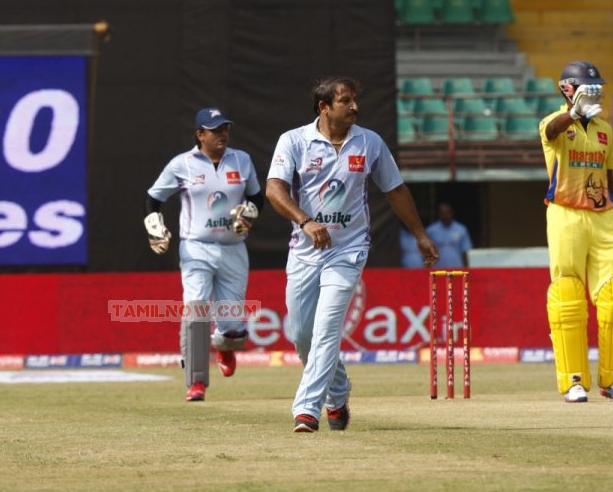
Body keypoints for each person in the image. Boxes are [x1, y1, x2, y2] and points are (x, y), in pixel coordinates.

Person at [266, 76, 439, 433]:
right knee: (301, 334)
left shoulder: (369, 142)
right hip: (304, 250)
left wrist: (420, 234)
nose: (355, 107)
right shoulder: (295, 140)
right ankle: (339, 392)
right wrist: (305, 221)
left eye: (355, 100)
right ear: (324, 107)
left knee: (328, 329)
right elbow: (274, 189)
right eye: (346, 101)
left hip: (348, 249)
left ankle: (306, 411)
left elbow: (395, 189)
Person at [144, 107, 263, 402]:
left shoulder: (242, 160)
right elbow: (153, 199)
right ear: (200, 134)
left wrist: (250, 210)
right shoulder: (181, 164)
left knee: (232, 324)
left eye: (225, 128)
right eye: (215, 129)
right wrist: (154, 226)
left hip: (234, 248)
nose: (222, 134)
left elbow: (257, 196)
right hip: (196, 247)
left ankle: (226, 345)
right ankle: (196, 382)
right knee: (196, 309)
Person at [539, 60, 613, 403]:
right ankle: (574, 380)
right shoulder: (555, 123)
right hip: (566, 214)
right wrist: (573, 114)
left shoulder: (605, 130)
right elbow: (551, 133)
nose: (596, 94)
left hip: (603, 216)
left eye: (597, 89)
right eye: (588, 88)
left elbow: (609, 179)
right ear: (568, 89)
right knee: (568, 298)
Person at [425, 202, 473, 268]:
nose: (445, 215)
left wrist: (467, 268)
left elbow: (465, 251)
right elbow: (426, 252)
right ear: (439, 214)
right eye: (442, 213)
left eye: (446, 213)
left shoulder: (461, 229)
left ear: (451, 213)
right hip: (437, 269)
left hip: (457, 268)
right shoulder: (431, 230)